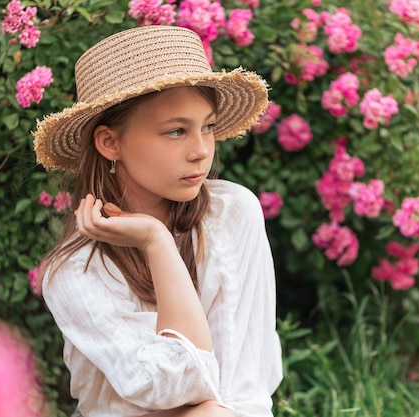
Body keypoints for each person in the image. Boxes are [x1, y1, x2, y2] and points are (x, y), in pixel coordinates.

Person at [32, 25, 282, 417]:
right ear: (110, 143)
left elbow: (245, 384)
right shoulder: (75, 271)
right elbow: (175, 384)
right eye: (177, 131)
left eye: (208, 127)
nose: (201, 151)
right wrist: (156, 241)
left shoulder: (232, 213)